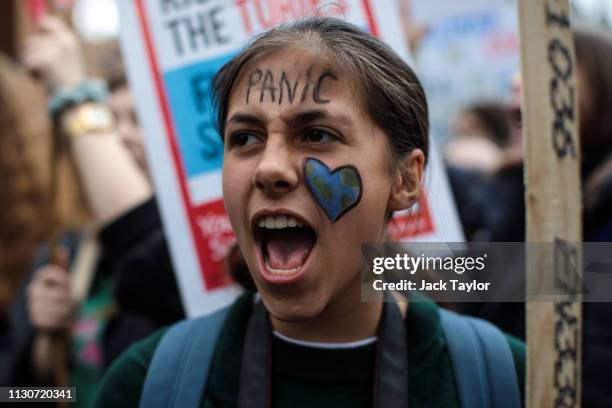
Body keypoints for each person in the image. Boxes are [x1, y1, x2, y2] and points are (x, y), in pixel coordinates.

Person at [95, 17, 525, 408]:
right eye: (245, 138)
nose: (269, 168)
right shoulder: (145, 385)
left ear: (405, 180)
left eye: (316, 134)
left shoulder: (509, 382)